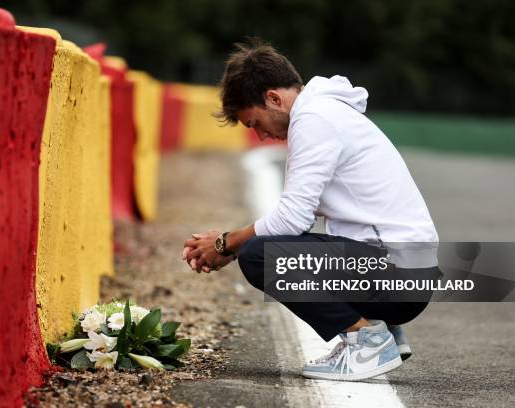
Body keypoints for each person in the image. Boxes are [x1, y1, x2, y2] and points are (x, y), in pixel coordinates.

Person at [181, 39, 439, 381]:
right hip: (406, 272)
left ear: (274, 98)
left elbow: (291, 219)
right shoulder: (326, 112)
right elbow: (296, 218)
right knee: (278, 244)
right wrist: (230, 244)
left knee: (261, 256)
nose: (260, 136)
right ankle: (381, 327)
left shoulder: (314, 119)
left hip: (397, 274)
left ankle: (367, 342)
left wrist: (226, 243)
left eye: (254, 122)